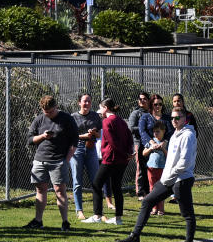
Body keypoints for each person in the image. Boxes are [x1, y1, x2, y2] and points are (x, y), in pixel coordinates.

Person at [117, 107, 198, 242]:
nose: (174, 121)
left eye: (177, 118)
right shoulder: (175, 134)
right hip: (168, 179)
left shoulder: (187, 135)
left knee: (187, 214)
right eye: (172, 118)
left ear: (184, 119)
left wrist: (171, 175)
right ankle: (135, 236)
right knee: (147, 201)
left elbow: (185, 162)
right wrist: (167, 176)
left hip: (181, 179)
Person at [24, 95, 77, 231]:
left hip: (59, 161)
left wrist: (66, 160)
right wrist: (43, 136)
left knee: (60, 191)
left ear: (56, 107)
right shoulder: (39, 119)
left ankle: (65, 222)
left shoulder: (67, 119)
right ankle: (38, 220)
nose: (48, 114)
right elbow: (30, 140)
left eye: (51, 111)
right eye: (45, 112)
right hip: (40, 160)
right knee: (40, 189)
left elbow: (74, 141)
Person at [83, 98, 132, 225]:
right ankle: (118, 218)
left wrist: (124, 153)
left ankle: (97, 215)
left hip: (111, 159)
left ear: (105, 108)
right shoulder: (121, 121)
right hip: (122, 160)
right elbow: (129, 137)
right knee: (117, 187)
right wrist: (128, 153)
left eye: (101, 108)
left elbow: (111, 141)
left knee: (96, 184)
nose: (101, 112)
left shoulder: (107, 121)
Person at [70, 93, 102, 221]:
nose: (87, 103)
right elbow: (71, 135)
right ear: (79, 103)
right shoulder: (73, 117)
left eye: (89, 101)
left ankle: (98, 211)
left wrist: (94, 133)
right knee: (77, 181)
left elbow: (99, 134)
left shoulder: (95, 116)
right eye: (84, 101)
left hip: (91, 149)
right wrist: (84, 136)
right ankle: (79, 210)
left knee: (96, 181)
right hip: (77, 149)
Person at [127, 92, 150, 198]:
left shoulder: (151, 112)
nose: (142, 101)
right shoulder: (135, 113)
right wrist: (144, 128)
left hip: (150, 143)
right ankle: (140, 192)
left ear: (148, 100)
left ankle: (148, 190)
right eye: (140, 99)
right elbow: (131, 128)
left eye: (144, 99)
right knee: (140, 167)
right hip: (139, 143)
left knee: (150, 167)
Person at [143, 121, 168, 215]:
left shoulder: (166, 143)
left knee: (161, 188)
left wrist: (162, 148)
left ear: (163, 131)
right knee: (152, 188)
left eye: (158, 131)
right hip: (151, 167)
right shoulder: (151, 141)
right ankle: (154, 208)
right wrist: (150, 148)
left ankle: (161, 208)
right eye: (154, 131)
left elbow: (169, 155)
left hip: (162, 168)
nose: (155, 133)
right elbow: (143, 153)